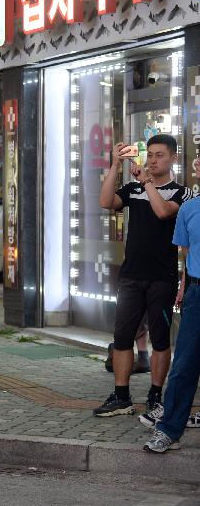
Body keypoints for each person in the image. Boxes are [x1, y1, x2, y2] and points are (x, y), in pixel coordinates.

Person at [96, 135, 191, 421]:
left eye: (159, 155)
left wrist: (147, 182)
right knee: (122, 337)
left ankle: (155, 396)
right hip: (131, 276)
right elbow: (105, 201)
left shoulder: (182, 193)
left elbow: (163, 212)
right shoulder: (133, 188)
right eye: (149, 155)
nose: (152, 160)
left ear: (173, 158)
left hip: (162, 278)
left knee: (160, 340)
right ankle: (122, 396)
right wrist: (114, 165)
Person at [144, 160, 200, 452]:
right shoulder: (189, 209)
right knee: (184, 365)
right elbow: (187, 253)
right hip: (197, 292)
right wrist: (183, 287)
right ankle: (168, 431)